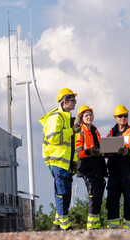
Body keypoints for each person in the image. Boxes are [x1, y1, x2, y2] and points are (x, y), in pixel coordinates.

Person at [39, 88, 81, 231]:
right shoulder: (56, 117)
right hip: (58, 162)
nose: (75, 103)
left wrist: (74, 161)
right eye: (73, 100)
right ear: (65, 102)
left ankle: (57, 224)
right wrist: (71, 131)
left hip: (66, 162)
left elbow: (71, 145)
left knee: (66, 193)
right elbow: (53, 138)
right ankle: (65, 225)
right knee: (62, 193)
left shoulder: (67, 118)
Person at [106, 105, 130, 229]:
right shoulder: (111, 133)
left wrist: (128, 151)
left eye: (125, 116)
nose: (123, 118)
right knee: (112, 199)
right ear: (115, 118)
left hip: (129, 172)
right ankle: (112, 226)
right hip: (114, 172)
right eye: (120, 116)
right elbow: (105, 151)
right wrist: (107, 153)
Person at [75, 105, 107, 230]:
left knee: (99, 193)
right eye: (86, 115)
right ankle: (91, 223)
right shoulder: (80, 131)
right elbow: (78, 152)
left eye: (90, 115)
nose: (89, 117)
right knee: (93, 193)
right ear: (81, 118)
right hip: (87, 166)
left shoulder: (95, 130)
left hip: (98, 165)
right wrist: (89, 152)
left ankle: (96, 221)